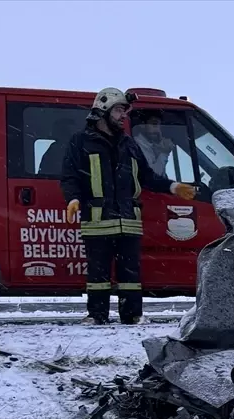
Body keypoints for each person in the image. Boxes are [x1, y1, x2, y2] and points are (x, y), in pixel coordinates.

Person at [60, 88, 196, 325]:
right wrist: (72, 199)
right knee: (98, 274)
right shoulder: (80, 142)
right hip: (97, 220)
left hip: (129, 220)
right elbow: (70, 177)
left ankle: (132, 315)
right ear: (103, 110)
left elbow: (148, 177)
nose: (124, 115)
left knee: (130, 274)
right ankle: (96, 315)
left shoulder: (129, 145)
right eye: (119, 110)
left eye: (124, 110)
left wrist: (174, 187)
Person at [132, 110, 175, 177]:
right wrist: (164, 152)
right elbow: (153, 176)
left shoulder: (151, 146)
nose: (158, 130)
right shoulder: (137, 145)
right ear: (142, 125)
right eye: (154, 124)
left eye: (159, 126)